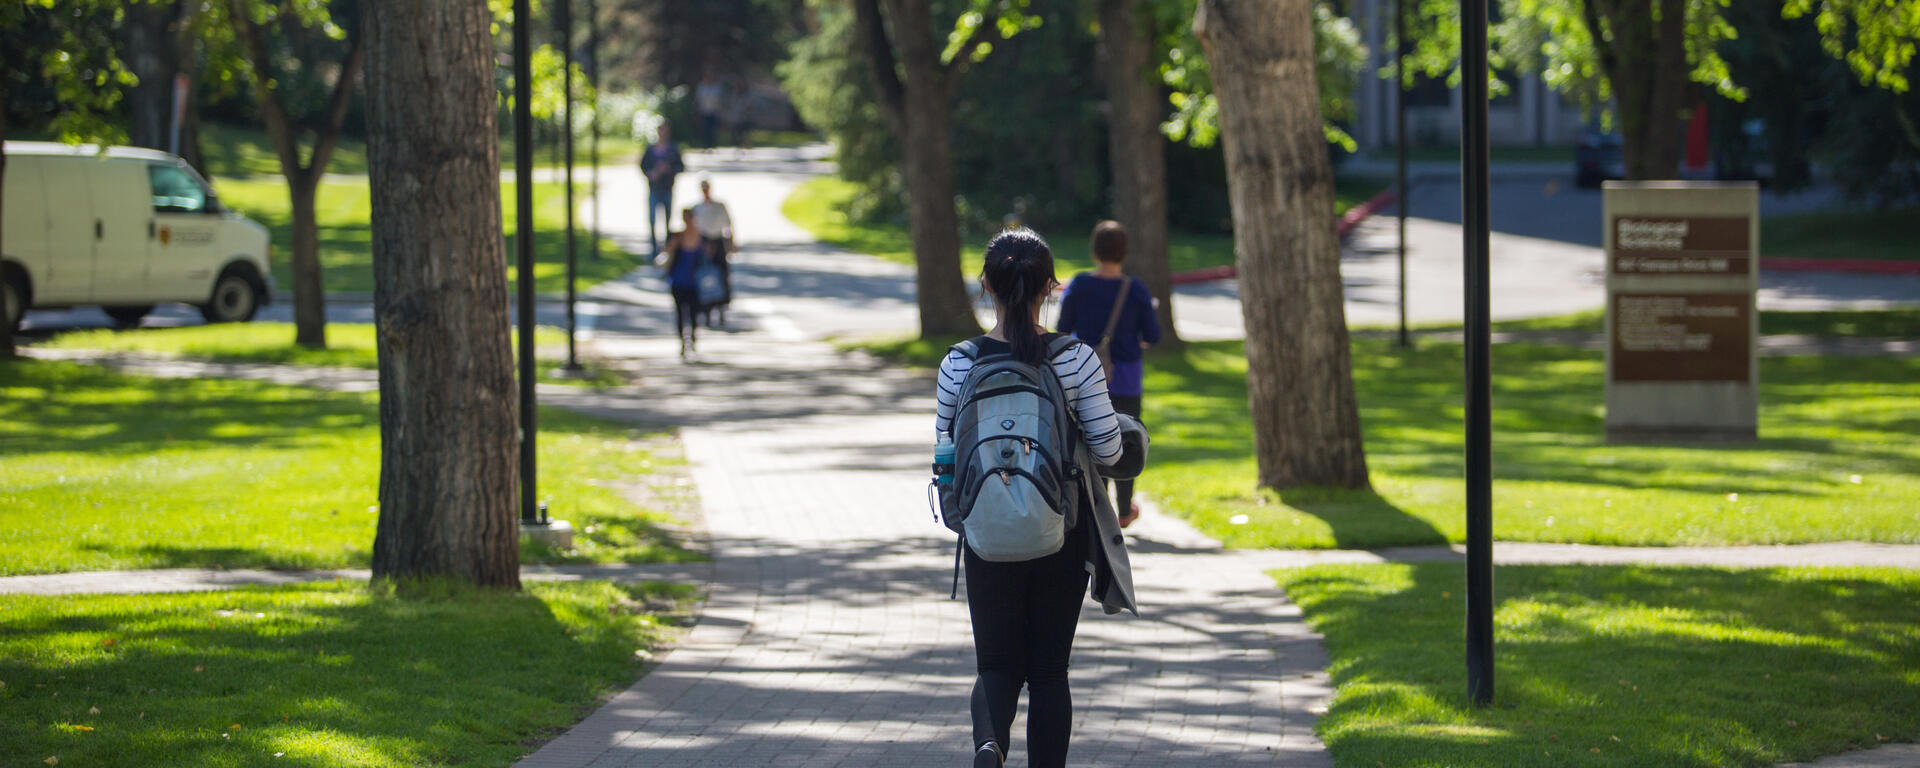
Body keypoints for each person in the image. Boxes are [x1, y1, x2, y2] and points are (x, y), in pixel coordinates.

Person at [934, 228, 1138, 768]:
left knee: (996, 665)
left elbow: (945, 455)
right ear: (1050, 286)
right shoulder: (1075, 359)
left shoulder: (959, 362)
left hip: (985, 532)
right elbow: (1110, 449)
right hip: (1060, 533)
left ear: (986, 285)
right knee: (1049, 671)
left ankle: (988, 746)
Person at [1056, 220, 1161, 527]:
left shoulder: (1079, 285)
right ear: (1124, 252)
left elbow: (1062, 328)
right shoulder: (1136, 289)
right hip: (1126, 376)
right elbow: (1153, 335)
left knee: (1089, 437)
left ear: (1095, 250)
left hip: (1085, 376)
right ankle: (1125, 509)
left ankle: (1094, 504)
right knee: (1127, 438)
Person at [656, 208, 706, 359]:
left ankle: (693, 338)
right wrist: (673, 244)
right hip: (678, 281)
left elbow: (708, 258)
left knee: (694, 313)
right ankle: (682, 342)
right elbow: (665, 252)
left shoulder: (702, 237)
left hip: (695, 282)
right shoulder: (676, 236)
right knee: (680, 313)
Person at [691, 177, 736, 329]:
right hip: (703, 244)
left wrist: (731, 244)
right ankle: (707, 310)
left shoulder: (719, 206)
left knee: (722, 275)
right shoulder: (697, 208)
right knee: (705, 277)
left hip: (718, 242)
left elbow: (728, 226)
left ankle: (722, 307)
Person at [639, 124, 685, 254]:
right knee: (652, 220)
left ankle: (667, 249)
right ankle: (653, 249)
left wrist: (669, 169)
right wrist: (651, 173)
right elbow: (642, 166)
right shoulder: (651, 149)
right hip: (653, 189)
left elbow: (681, 167)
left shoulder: (673, 149)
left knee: (667, 221)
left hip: (667, 189)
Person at [694, 74, 723, 149]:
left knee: (713, 129)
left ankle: (712, 144)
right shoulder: (701, 87)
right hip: (703, 111)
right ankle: (704, 145)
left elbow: (719, 100)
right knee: (704, 129)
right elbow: (698, 99)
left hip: (714, 111)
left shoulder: (716, 87)